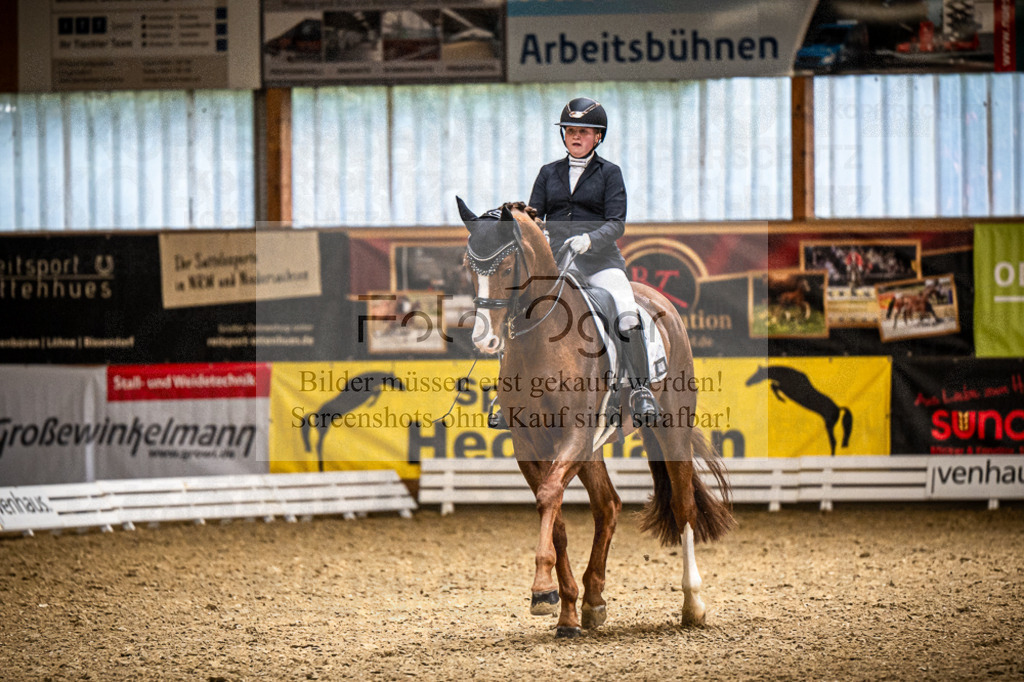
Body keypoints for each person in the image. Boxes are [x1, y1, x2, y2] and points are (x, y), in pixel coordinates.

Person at [528, 97, 658, 425]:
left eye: (583, 132)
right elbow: (535, 216)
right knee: (522, 313)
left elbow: (617, 223)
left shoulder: (610, 173)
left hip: (601, 262)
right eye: (570, 131)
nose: (575, 136)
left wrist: (589, 240)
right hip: (558, 264)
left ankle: (641, 390)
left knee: (626, 312)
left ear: (597, 136)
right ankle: (513, 395)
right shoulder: (548, 173)